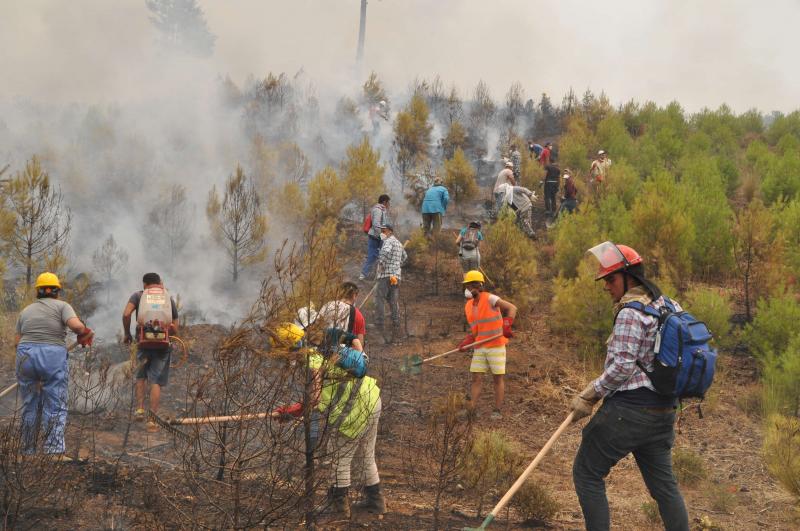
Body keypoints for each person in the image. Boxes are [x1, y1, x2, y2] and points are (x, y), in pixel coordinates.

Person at [570, 242, 689, 531]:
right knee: (665, 488)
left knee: (586, 472)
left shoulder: (629, 312)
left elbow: (622, 367)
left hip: (629, 413)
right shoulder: (671, 305)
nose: (606, 286)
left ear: (630, 276)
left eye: (610, 279)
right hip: (664, 413)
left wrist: (590, 393)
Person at [274, 326, 384, 518]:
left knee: (340, 457)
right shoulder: (323, 347)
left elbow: (315, 398)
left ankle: (338, 507)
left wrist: (291, 412)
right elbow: (354, 342)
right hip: (372, 398)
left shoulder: (312, 360)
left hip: (353, 409)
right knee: (367, 454)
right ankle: (376, 502)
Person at [15, 272, 93, 458]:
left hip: (25, 355)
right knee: (55, 404)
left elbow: (17, 341)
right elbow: (77, 327)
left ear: (38, 292)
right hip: (52, 355)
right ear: (57, 291)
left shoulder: (26, 311)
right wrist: (84, 330)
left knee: (30, 405)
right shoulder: (62, 306)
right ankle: (54, 451)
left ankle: (27, 451)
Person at [123, 272, 179, 433]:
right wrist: (164, 331)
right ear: (159, 283)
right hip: (162, 345)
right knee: (156, 380)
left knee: (141, 375)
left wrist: (127, 333)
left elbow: (126, 314)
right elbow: (175, 327)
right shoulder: (167, 297)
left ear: (144, 284)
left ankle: (140, 409)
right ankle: (152, 419)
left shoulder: (138, 296)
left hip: (143, 342)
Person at [458, 270, 517, 420]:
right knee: (476, 378)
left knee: (497, 378)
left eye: (474, 285)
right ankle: (471, 409)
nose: (471, 288)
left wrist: (507, 324)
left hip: (496, 345)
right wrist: (468, 341)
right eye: (469, 285)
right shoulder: (468, 306)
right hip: (480, 346)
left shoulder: (490, 298)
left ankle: (497, 411)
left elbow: (512, 308)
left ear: (480, 285)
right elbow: (476, 330)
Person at [375, 224, 406, 344]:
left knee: (380, 299)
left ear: (390, 231)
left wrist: (382, 264)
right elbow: (405, 256)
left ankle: (379, 323)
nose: (382, 232)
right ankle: (396, 324)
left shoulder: (388, 242)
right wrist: (396, 266)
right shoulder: (398, 243)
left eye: (384, 230)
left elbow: (384, 254)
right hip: (396, 277)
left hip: (386, 276)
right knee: (393, 301)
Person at [318, 281, 367, 347]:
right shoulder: (358, 315)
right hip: (343, 353)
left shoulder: (326, 306)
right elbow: (360, 343)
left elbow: (317, 329)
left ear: (340, 293)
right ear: (354, 295)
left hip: (322, 349)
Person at [360, 194, 391, 281]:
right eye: (388, 202)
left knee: (380, 255)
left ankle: (377, 275)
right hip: (375, 236)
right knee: (372, 256)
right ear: (384, 202)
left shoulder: (381, 210)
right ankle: (364, 274)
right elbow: (376, 225)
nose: (389, 204)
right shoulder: (378, 210)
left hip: (377, 236)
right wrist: (383, 236)